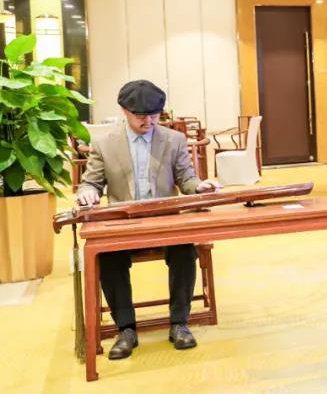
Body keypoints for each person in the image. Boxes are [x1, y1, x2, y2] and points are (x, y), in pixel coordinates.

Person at [75, 80, 221, 359]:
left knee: (184, 250)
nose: (149, 121)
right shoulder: (105, 144)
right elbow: (91, 182)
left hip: (165, 221)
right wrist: (87, 193)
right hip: (124, 224)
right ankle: (126, 329)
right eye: (141, 116)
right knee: (108, 257)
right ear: (124, 111)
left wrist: (199, 186)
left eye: (155, 115)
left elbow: (186, 179)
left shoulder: (173, 139)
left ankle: (179, 323)